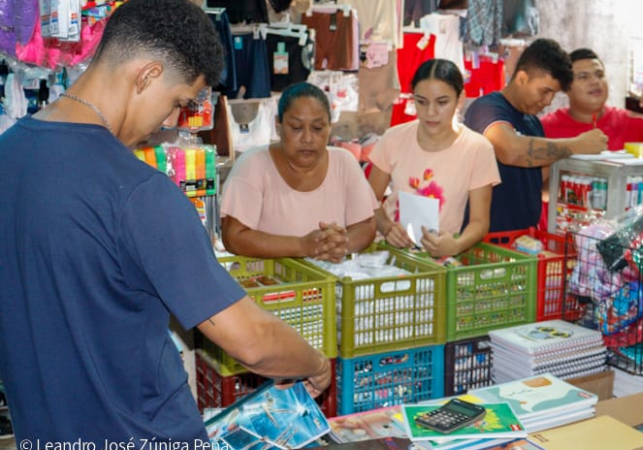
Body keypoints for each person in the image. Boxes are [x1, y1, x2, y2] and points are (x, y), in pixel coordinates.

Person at [0, 0, 331, 443]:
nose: (171, 120)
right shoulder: (139, 192)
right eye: (177, 102)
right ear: (147, 75)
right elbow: (251, 340)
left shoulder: (8, 154)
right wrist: (315, 363)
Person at [220, 82, 378, 262]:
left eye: (318, 128)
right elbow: (233, 237)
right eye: (296, 128)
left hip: (330, 284)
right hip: (269, 284)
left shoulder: (344, 162)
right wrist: (303, 246)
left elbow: (366, 225)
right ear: (278, 125)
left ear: (329, 127)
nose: (308, 139)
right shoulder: (253, 165)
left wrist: (341, 244)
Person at [463, 38, 607, 233]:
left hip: (525, 243)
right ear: (522, 78)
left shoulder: (533, 123)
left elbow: (539, 185)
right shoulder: (487, 108)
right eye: (545, 91)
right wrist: (577, 144)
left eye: (553, 94)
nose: (548, 101)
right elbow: (511, 151)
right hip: (486, 240)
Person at [367, 59, 501, 257]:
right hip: (386, 256)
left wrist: (456, 245)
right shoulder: (394, 138)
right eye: (421, 102)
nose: (430, 112)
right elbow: (368, 201)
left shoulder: (478, 149)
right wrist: (387, 227)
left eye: (442, 102)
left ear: (460, 99)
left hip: (439, 261)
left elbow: (479, 223)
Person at [540, 48, 643, 150]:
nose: (595, 81)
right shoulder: (545, 127)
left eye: (600, 75)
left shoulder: (629, 120)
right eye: (583, 77)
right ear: (566, 88)